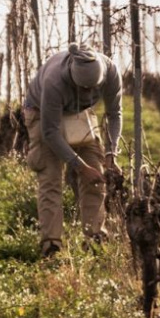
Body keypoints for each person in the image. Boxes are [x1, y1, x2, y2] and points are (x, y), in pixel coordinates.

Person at [22, 44, 121, 257]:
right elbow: (50, 133)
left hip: (79, 114)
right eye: (83, 88)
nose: (88, 92)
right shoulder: (54, 81)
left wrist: (112, 153)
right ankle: (52, 246)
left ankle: (94, 239)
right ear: (72, 78)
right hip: (42, 114)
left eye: (92, 88)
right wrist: (78, 166)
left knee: (96, 174)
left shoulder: (111, 72)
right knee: (50, 178)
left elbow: (115, 114)